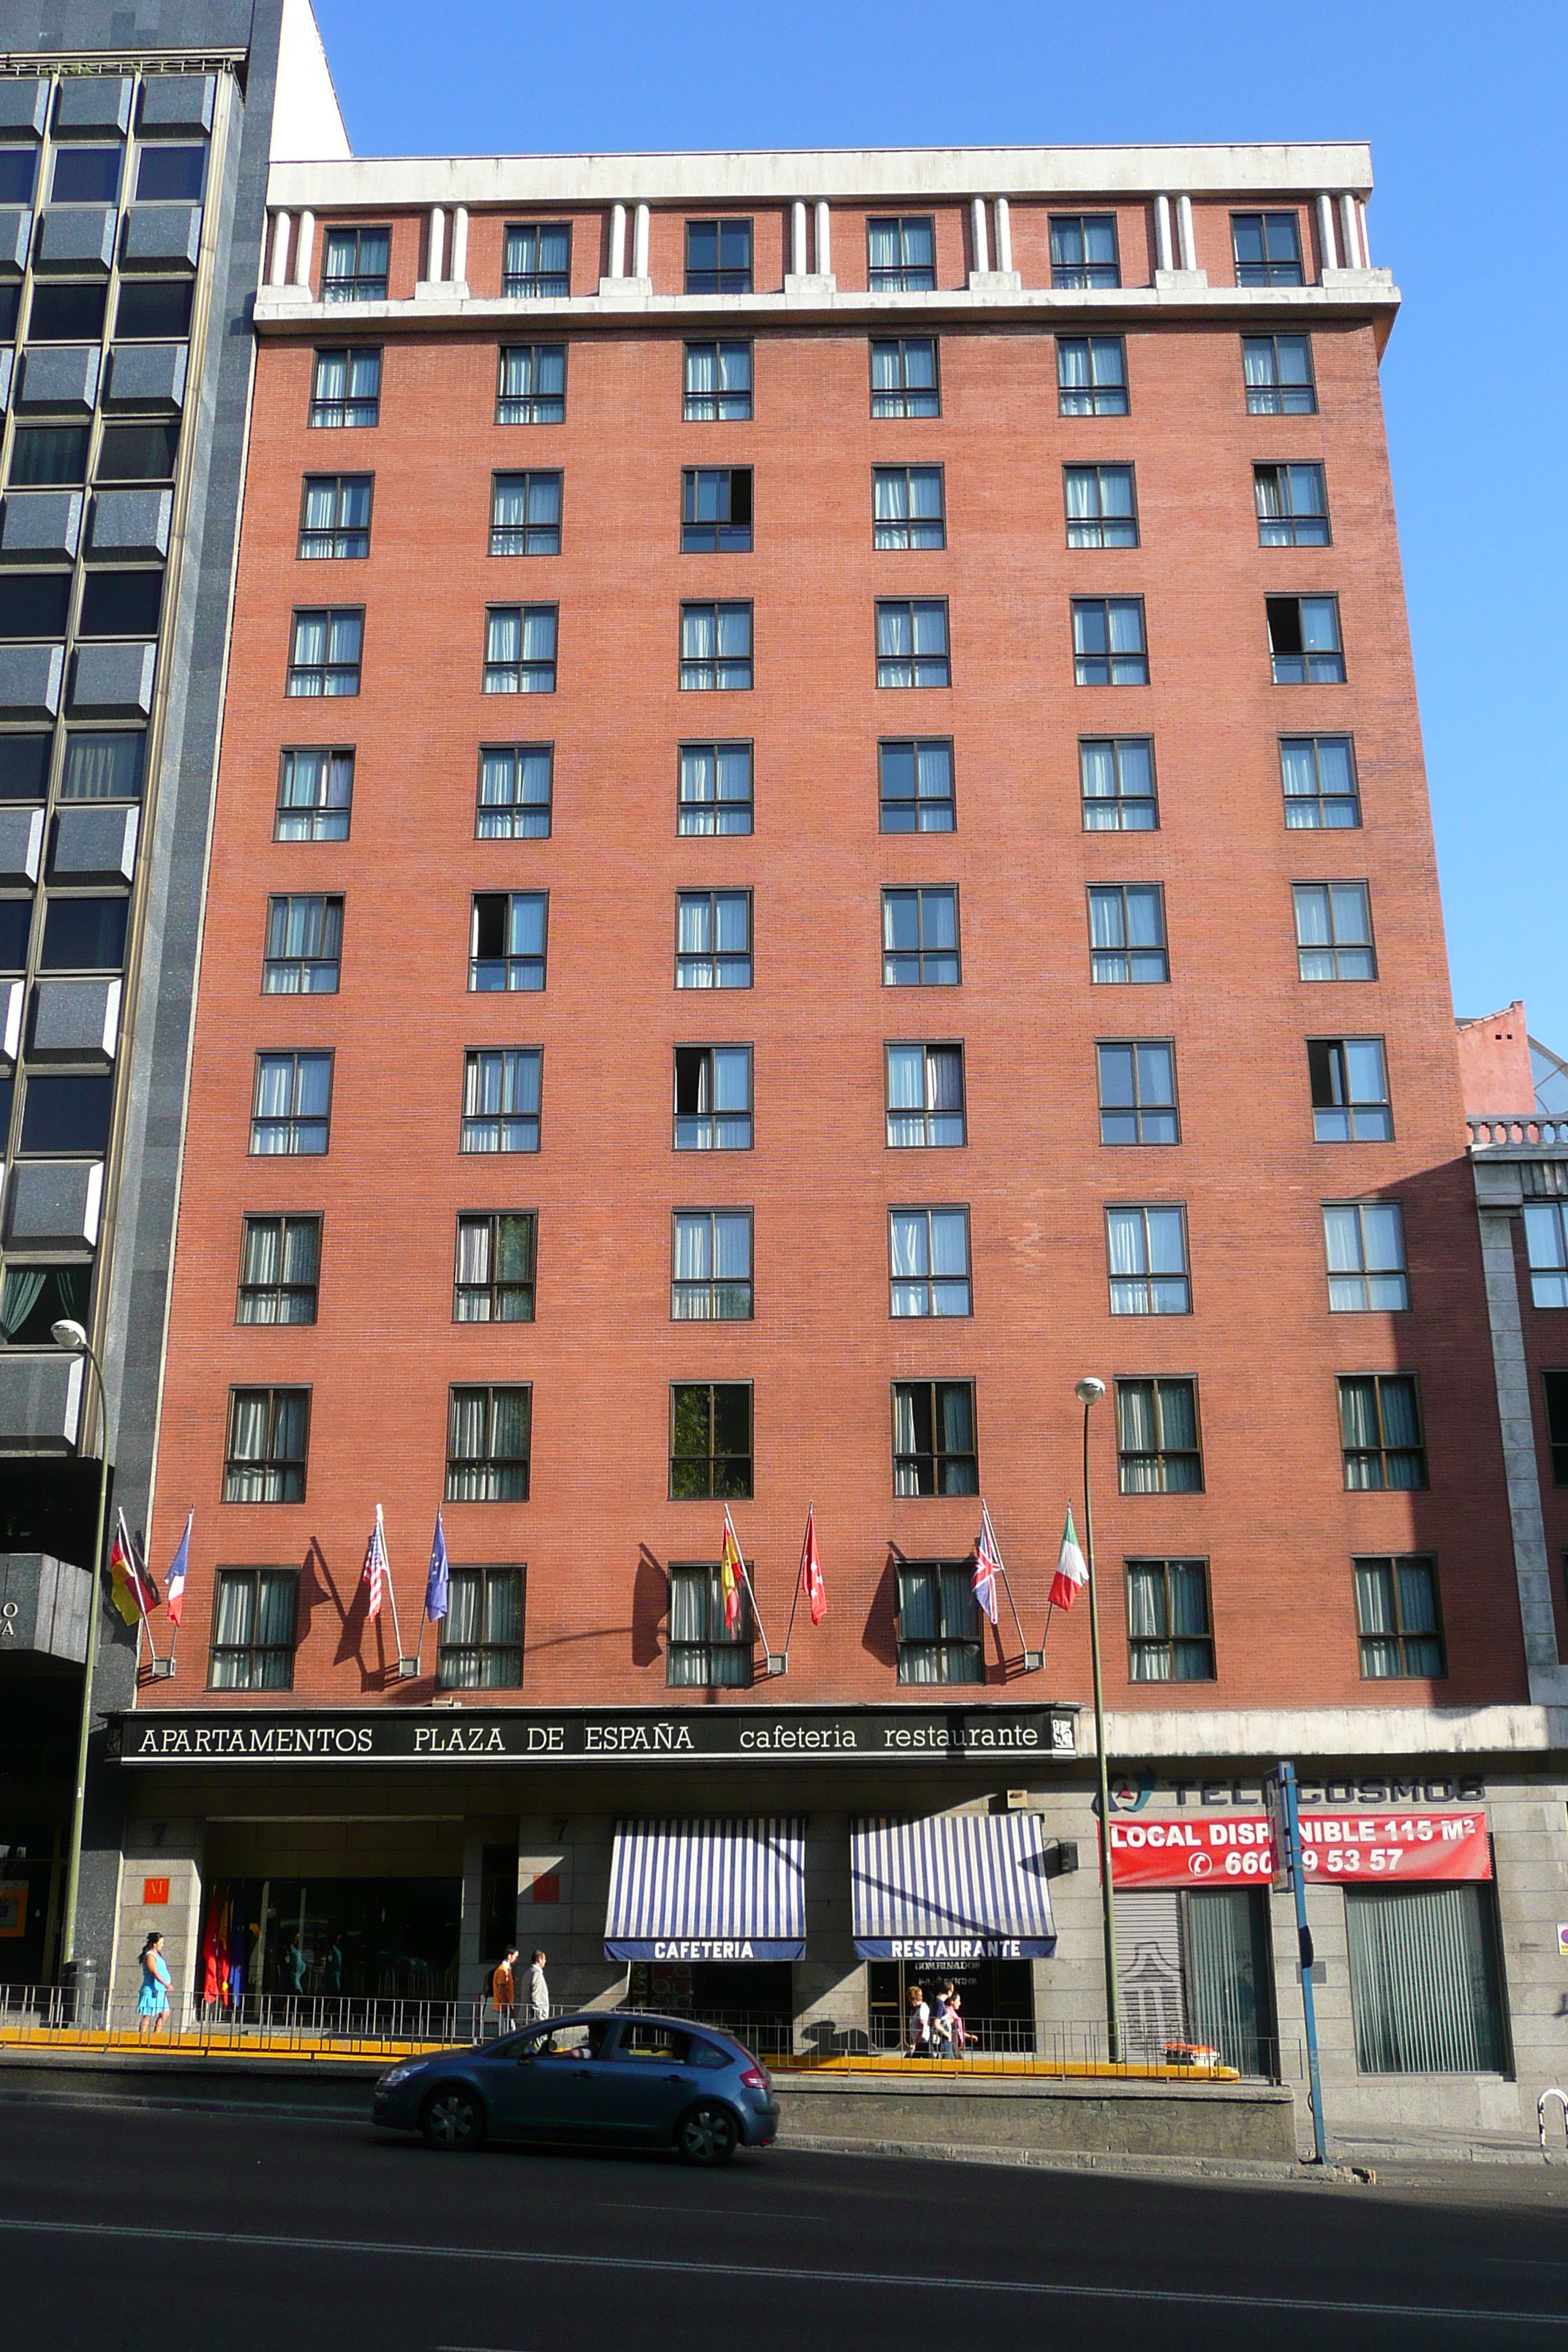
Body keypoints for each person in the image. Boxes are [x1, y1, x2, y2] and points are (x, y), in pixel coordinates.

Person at [137, 1931, 172, 2039]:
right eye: (160, 1943)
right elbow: (154, 1972)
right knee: (148, 2015)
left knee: (165, 2013)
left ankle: (156, 2036)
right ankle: (141, 2038)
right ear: (154, 1944)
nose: (162, 1945)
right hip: (152, 1989)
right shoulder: (150, 1956)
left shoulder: (158, 1955)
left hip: (159, 1990)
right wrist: (166, 1984)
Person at [491, 1945, 519, 2028]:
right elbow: (502, 1990)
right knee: (507, 2032)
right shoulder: (503, 1970)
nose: (516, 1960)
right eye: (515, 1957)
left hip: (504, 2007)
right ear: (509, 1956)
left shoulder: (506, 1970)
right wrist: (507, 2007)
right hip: (503, 2008)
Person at [905, 1982, 930, 2058]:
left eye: (911, 2000)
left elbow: (922, 2026)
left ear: (915, 1999)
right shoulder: (916, 2009)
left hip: (922, 2041)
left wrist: (914, 2044)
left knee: (911, 2062)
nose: (910, 2002)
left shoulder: (923, 2008)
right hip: (920, 2041)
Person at [942, 1982, 966, 2057]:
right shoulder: (947, 2013)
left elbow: (957, 2030)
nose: (960, 2003)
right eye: (958, 2001)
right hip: (951, 2045)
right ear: (952, 2001)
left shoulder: (954, 2014)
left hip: (955, 2045)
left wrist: (968, 2036)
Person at [527, 1948, 550, 2022]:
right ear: (539, 1960)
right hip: (537, 2017)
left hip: (528, 2015)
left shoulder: (528, 1972)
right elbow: (536, 1997)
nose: (545, 1961)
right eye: (544, 1959)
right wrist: (539, 2016)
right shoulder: (537, 1974)